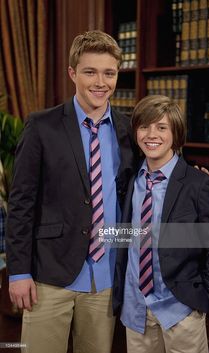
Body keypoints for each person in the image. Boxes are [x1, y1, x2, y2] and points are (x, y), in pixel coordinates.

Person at [6, 30, 138, 353]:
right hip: (49, 277)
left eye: (109, 73)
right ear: (72, 73)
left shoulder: (129, 130)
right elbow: (21, 203)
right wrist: (18, 272)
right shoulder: (42, 126)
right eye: (90, 71)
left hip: (105, 280)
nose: (100, 82)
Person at [113, 95, 209, 353]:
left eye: (161, 127)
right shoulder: (131, 181)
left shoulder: (198, 185)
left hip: (180, 309)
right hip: (136, 308)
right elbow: (133, 236)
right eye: (144, 126)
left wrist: (205, 297)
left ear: (176, 133)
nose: (151, 134)